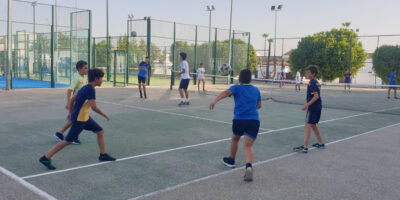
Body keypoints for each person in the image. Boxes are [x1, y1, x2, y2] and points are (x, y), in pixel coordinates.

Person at [39, 68, 116, 170]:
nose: (102, 80)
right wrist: (104, 114)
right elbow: (94, 107)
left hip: (85, 118)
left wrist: (70, 113)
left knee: (100, 131)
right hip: (80, 120)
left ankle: (103, 154)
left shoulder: (85, 87)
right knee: (68, 141)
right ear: (96, 78)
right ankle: (45, 158)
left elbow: (72, 99)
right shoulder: (90, 89)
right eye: (101, 78)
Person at [210, 69, 262, 182]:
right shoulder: (256, 90)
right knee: (248, 146)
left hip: (239, 120)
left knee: (235, 139)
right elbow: (259, 105)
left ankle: (232, 160)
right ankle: (248, 166)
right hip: (254, 121)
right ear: (251, 79)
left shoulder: (236, 87)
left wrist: (214, 101)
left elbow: (225, 93)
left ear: (239, 79)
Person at [54, 60, 88, 145]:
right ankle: (72, 137)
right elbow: (70, 90)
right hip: (77, 103)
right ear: (80, 69)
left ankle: (60, 133)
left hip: (82, 103)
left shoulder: (83, 77)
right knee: (77, 120)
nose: (87, 69)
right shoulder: (77, 78)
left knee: (74, 119)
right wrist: (69, 103)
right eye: (85, 68)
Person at [293, 65, 325, 153]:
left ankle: (305, 147)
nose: (306, 74)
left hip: (313, 108)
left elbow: (316, 97)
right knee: (313, 125)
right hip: (317, 107)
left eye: (308, 73)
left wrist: (306, 105)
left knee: (308, 126)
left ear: (313, 74)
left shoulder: (312, 83)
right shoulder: (315, 82)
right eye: (306, 72)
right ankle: (320, 143)